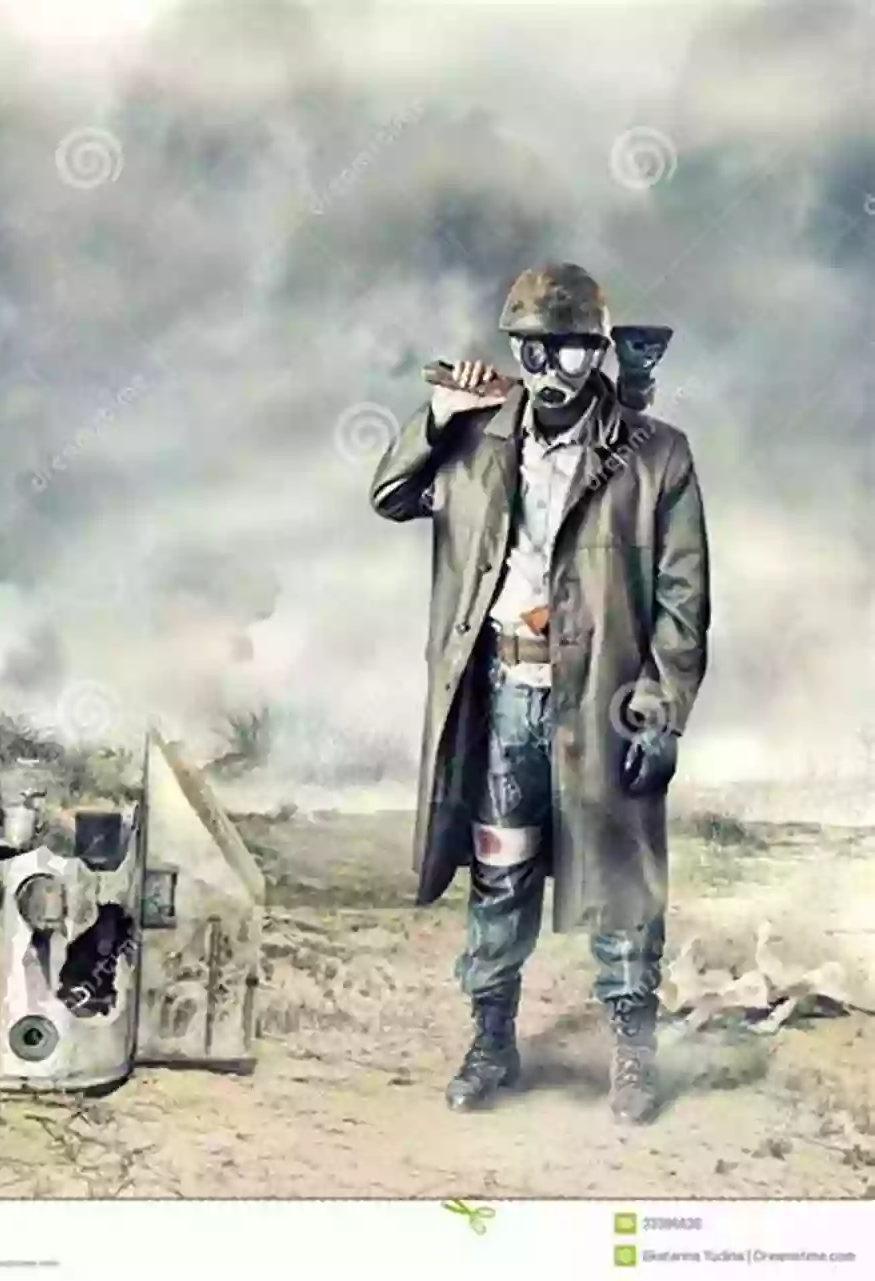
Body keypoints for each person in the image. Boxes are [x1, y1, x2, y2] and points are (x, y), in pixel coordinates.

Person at [369, 263, 710, 1123]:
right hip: (505, 700)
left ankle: (632, 1053)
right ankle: (492, 1038)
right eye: (530, 349)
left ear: (597, 350)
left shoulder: (655, 451)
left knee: (623, 883)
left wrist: (662, 705)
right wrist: (441, 417)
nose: (547, 368)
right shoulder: (477, 438)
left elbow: (683, 598)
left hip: (603, 700)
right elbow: (391, 494)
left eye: (564, 349)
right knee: (500, 872)